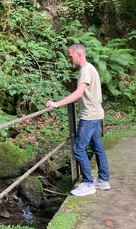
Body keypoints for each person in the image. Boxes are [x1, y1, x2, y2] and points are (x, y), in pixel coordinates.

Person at [46, 43, 110, 196]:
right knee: (97, 147)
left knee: (78, 149)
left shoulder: (86, 70)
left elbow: (79, 92)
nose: (69, 59)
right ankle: (102, 180)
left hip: (89, 116)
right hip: (96, 114)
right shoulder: (90, 68)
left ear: (79, 54)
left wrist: (57, 104)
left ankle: (88, 183)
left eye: (70, 56)